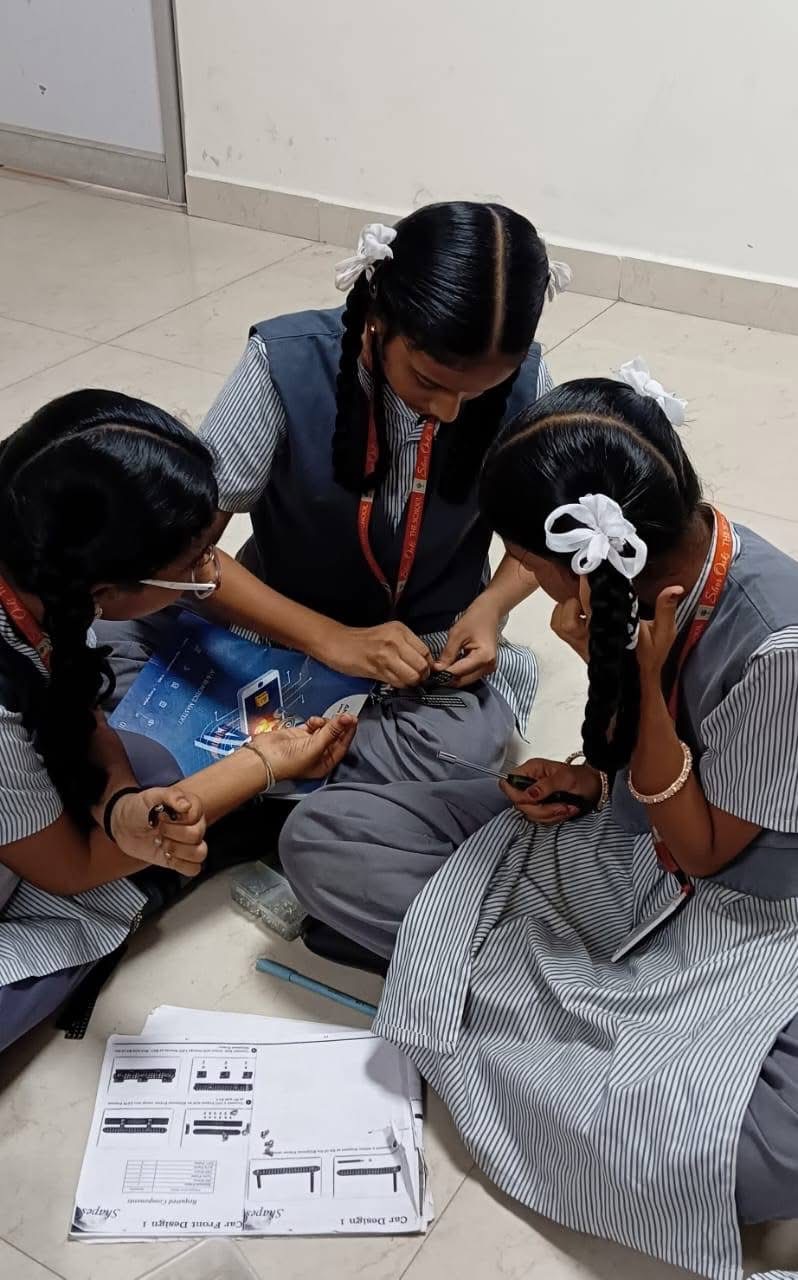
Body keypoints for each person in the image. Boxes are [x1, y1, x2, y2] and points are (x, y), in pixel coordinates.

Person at [366, 376, 798, 1280]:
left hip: (743, 911)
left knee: (760, 1156)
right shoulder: (650, 583)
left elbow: (703, 851)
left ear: (585, 560)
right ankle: (535, 1010)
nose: (525, 577)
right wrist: (592, 780)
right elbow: (649, 792)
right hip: (629, 846)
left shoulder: (778, 649)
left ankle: (485, 991)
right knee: (330, 839)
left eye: (528, 559)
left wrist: (641, 685)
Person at [101, 200, 565, 966]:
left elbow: (543, 541)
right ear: (378, 321)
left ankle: (238, 793)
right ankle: (302, 799)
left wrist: (490, 606)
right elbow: (186, 559)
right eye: (429, 381)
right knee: (109, 624)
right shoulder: (285, 365)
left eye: (482, 390)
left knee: (464, 745)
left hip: (417, 664)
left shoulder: (524, 382)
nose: (451, 411)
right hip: (270, 627)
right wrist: (330, 640)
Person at [0, 390, 355, 1053]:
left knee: (150, 769)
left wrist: (120, 805)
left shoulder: (40, 566)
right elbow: (70, 870)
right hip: (46, 859)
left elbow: (79, 712)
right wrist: (260, 765)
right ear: (102, 591)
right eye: (194, 567)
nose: (210, 575)